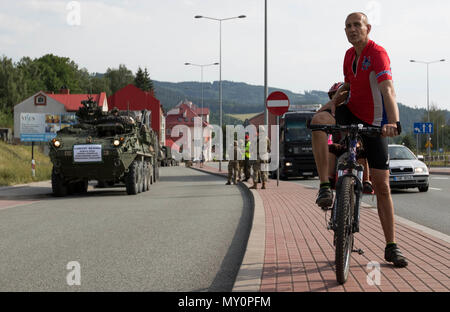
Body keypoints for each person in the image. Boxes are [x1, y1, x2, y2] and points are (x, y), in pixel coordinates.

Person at [310, 12, 407, 268]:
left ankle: (391, 246)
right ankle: (324, 187)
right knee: (318, 122)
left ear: (368, 28)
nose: (352, 29)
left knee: (382, 187)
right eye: (348, 26)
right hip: (350, 110)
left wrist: (393, 122)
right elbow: (348, 85)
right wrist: (333, 102)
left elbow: (388, 89)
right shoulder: (348, 55)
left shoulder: (377, 53)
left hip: (375, 123)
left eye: (357, 25)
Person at [326, 83, 374, 194]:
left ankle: (366, 181)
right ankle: (329, 178)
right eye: (333, 96)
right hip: (341, 146)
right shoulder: (332, 112)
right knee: (331, 147)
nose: (337, 98)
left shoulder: (355, 110)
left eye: (339, 95)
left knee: (362, 151)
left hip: (355, 145)